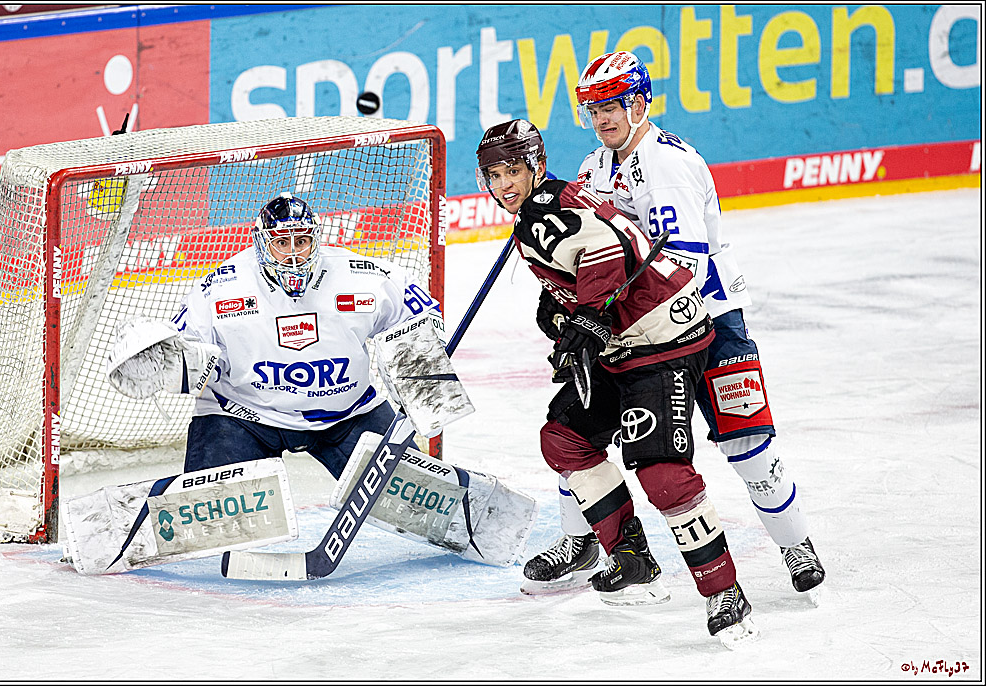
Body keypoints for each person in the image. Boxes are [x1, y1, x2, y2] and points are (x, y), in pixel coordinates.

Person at [523, 51, 825, 598]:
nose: (603, 118)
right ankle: (584, 540)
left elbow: (680, 264)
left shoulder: (667, 166)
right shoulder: (596, 166)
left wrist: (592, 313)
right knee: (581, 426)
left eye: (613, 105)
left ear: (639, 103)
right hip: (639, 330)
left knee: (748, 447)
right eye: (594, 109)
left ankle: (796, 546)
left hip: (707, 320)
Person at [476, 119, 756, 644]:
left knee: (663, 473)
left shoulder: (547, 212)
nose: (505, 184)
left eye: (514, 169)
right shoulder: (541, 211)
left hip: (663, 342)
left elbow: (606, 251)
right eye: (494, 175)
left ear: (536, 164)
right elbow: (578, 270)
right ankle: (632, 558)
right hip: (625, 343)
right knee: (565, 439)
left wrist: (587, 320)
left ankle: (726, 594)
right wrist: (561, 314)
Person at [166, 192, 438, 476]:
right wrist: (169, 362)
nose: (294, 254)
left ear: (315, 240)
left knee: (421, 508)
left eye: (302, 241)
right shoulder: (222, 286)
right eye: (281, 242)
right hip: (244, 416)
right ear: (262, 243)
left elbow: (420, 314)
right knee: (218, 514)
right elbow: (186, 352)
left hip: (349, 414)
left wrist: (421, 374)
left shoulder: (360, 275)